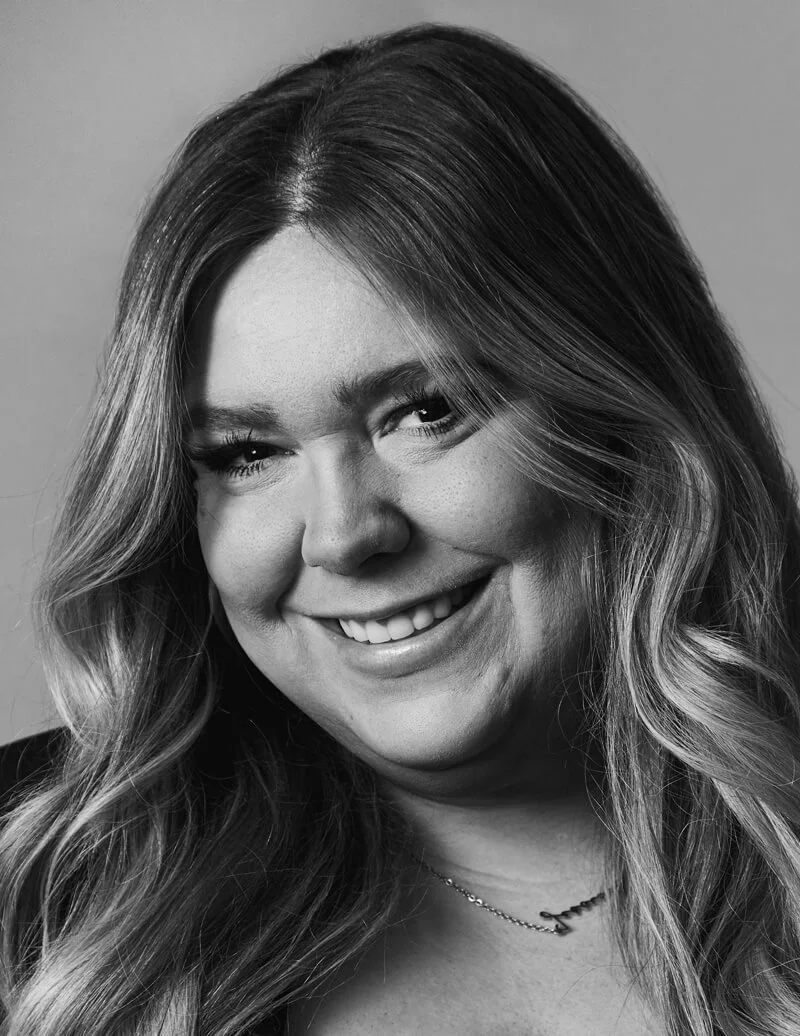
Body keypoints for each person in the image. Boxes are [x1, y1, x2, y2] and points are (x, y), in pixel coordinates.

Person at [1, 21, 799, 1036]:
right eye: (246, 453)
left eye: (425, 411)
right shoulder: (37, 893)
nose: (343, 536)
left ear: (621, 416)